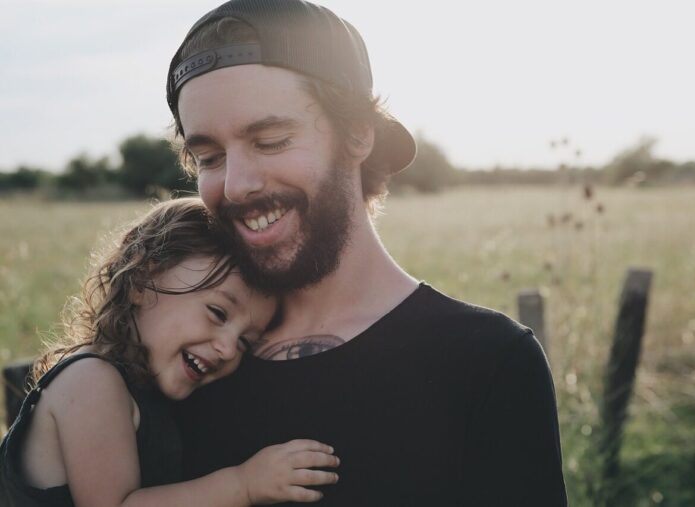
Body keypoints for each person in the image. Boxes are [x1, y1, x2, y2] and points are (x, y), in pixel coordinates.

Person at [169, 1, 568, 505]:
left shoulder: (487, 363)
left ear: (358, 134)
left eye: (270, 140)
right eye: (209, 157)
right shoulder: (187, 358)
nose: (237, 185)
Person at [0, 198, 340, 507]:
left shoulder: (145, 392)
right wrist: (244, 485)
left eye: (244, 342)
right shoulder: (91, 381)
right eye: (218, 313)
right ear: (141, 279)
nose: (226, 348)